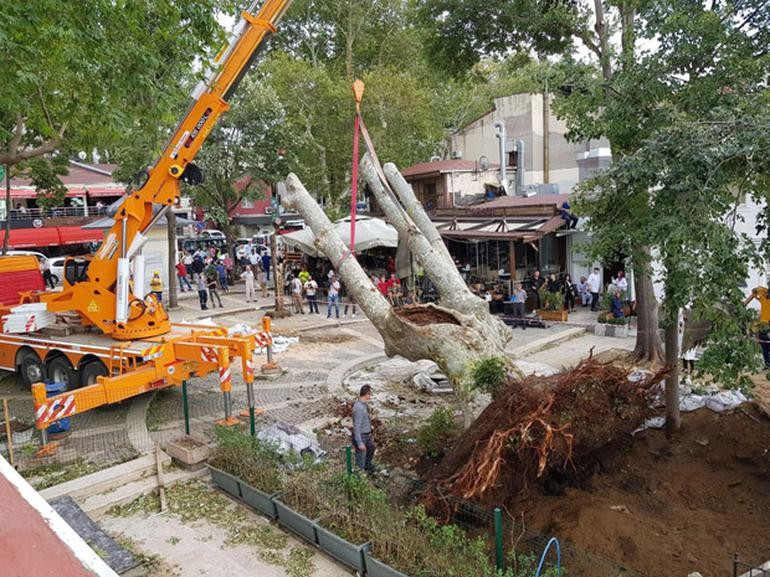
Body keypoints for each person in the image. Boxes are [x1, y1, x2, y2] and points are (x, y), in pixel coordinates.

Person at [744, 278, 770, 368]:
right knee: (764, 346)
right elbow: (754, 292)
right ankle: (767, 364)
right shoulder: (763, 292)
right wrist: (744, 304)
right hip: (764, 324)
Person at [352, 384, 375, 474]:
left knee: (371, 448)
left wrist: (369, 426)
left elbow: (364, 419)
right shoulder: (359, 408)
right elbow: (356, 426)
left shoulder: (363, 405)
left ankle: (367, 465)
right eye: (370, 394)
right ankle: (359, 475)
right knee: (361, 456)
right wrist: (359, 442)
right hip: (361, 436)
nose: (370, 397)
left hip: (366, 434)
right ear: (366, 394)